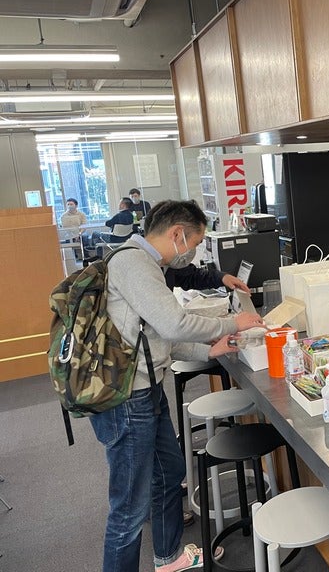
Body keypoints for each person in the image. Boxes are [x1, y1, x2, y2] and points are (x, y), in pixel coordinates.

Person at [89, 199, 265, 572]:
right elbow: (174, 324)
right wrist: (233, 323)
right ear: (177, 234)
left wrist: (208, 349)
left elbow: (157, 336)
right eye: (195, 243)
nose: (193, 253)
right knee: (129, 508)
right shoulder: (134, 264)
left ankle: (168, 558)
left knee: (169, 472)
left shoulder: (147, 263)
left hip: (145, 390)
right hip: (126, 399)